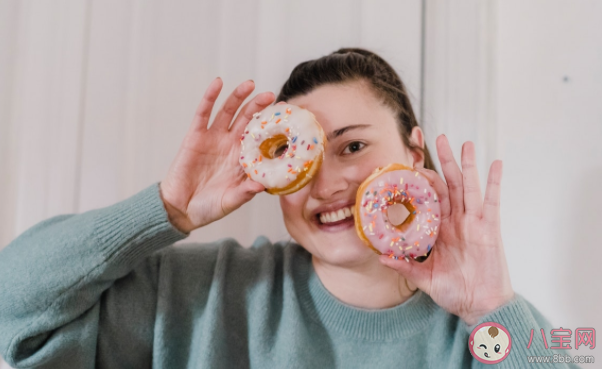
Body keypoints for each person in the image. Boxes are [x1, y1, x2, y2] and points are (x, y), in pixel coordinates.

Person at [0, 49, 580, 368]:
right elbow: (12, 308)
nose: (326, 183)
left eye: (353, 146)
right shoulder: (204, 295)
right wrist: (166, 209)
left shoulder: (485, 335)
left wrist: (490, 309)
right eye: (298, 160)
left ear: (412, 151)